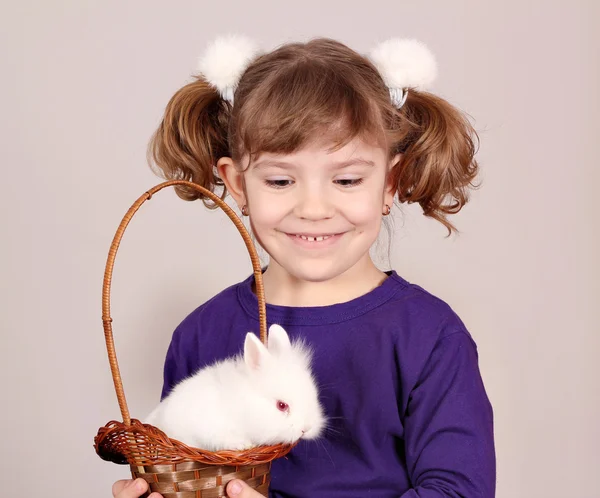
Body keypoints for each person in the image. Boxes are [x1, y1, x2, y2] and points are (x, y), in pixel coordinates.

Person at [111, 35, 495, 498]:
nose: (314, 208)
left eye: (347, 179)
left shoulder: (429, 336)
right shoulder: (200, 335)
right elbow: (188, 469)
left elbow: (459, 491)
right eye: (279, 180)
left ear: (390, 183)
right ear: (237, 184)